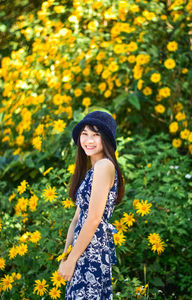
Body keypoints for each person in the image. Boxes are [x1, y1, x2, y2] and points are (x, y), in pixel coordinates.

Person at [58, 110, 124, 299]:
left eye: (96, 135)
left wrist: (71, 259)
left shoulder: (105, 166)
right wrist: (65, 257)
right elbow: (77, 218)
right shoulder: (92, 171)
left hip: (92, 251)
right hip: (81, 251)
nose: (89, 140)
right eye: (85, 134)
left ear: (107, 140)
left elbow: (94, 219)